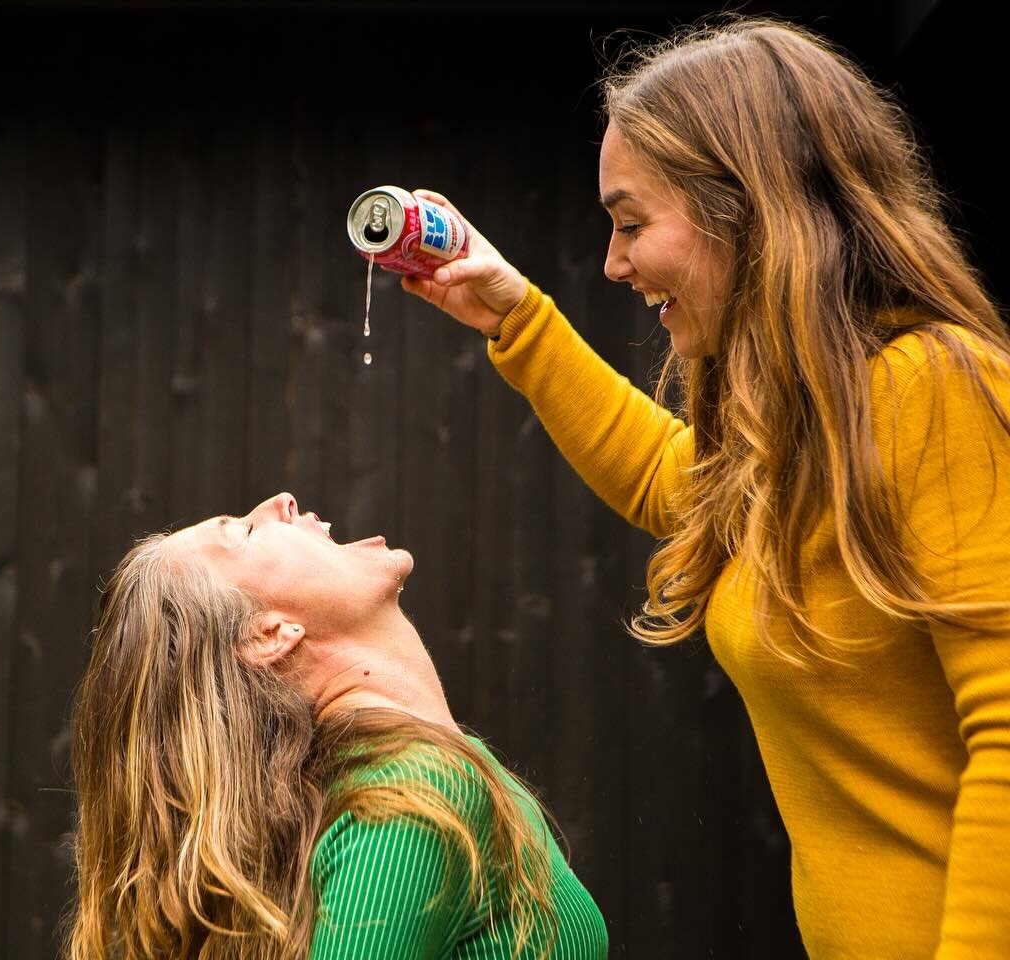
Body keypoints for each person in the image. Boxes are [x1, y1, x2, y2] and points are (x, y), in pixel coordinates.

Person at [401, 17, 1010, 960]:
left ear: (744, 208)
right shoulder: (824, 425)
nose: (613, 262)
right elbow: (677, 482)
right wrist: (514, 318)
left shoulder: (932, 386)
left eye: (632, 222)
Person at [67, 492, 609, 959]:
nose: (282, 501)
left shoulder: (443, 764)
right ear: (268, 633)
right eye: (247, 531)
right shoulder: (408, 800)